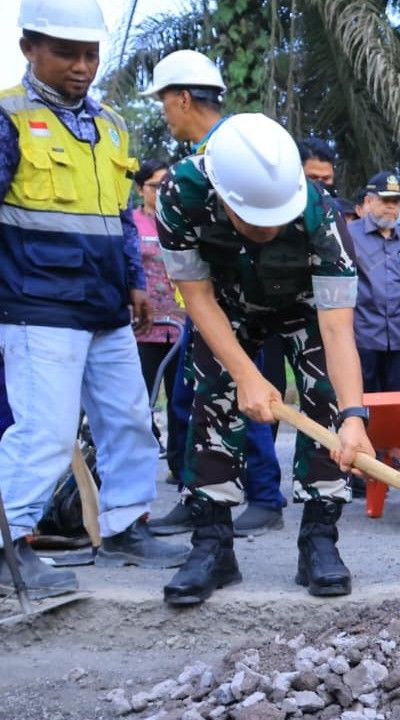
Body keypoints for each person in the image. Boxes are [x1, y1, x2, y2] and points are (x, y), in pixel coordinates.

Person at [1, 0, 190, 599]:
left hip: (107, 305)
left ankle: (127, 525)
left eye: (91, 55)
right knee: (47, 433)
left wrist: (134, 281)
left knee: (131, 420)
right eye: (67, 54)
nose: (82, 67)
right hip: (38, 304)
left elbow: (120, 217)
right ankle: (12, 545)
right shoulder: (7, 118)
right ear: (30, 48)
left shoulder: (110, 125)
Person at [156, 113, 374, 605]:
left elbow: (337, 328)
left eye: (278, 215)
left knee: (324, 395)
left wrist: (355, 417)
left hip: (304, 310)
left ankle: (319, 540)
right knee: (213, 394)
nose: (269, 227)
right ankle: (212, 544)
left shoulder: (321, 214)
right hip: (225, 307)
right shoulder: (179, 195)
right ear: (222, 194)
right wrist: (246, 374)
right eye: (254, 218)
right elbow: (197, 296)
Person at [142, 48, 286, 538]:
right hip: (202, 306)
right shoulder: (199, 159)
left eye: (165, 101)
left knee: (252, 395)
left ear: (183, 99)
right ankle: (197, 493)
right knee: (189, 399)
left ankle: (265, 495)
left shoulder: (233, 151)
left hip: (242, 306)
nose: (164, 113)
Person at [132, 160, 186, 471]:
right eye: (155, 185)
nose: (162, 192)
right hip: (143, 325)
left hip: (180, 324)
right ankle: (141, 462)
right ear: (141, 188)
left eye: (167, 185)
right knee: (140, 401)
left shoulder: (178, 220)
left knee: (180, 400)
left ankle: (180, 466)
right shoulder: (132, 222)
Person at [349, 171, 400, 394]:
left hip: (399, 336)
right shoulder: (349, 234)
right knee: (363, 399)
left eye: (396, 201)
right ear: (369, 201)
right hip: (363, 335)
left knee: (396, 399)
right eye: (386, 200)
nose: (391, 207)